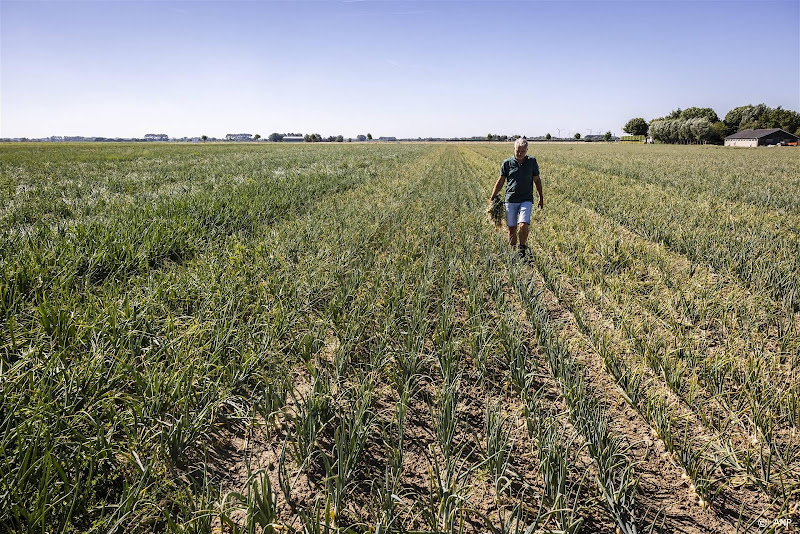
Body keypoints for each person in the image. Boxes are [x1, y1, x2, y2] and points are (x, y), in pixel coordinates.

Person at [489, 138, 543, 257]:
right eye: (518, 151)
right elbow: (500, 181)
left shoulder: (532, 162)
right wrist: (492, 197)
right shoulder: (507, 163)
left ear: (526, 150)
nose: (520, 154)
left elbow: (537, 180)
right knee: (511, 230)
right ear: (514, 149)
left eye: (522, 151)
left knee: (523, 225)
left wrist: (541, 197)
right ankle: (513, 253)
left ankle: (522, 248)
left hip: (526, 199)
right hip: (510, 200)